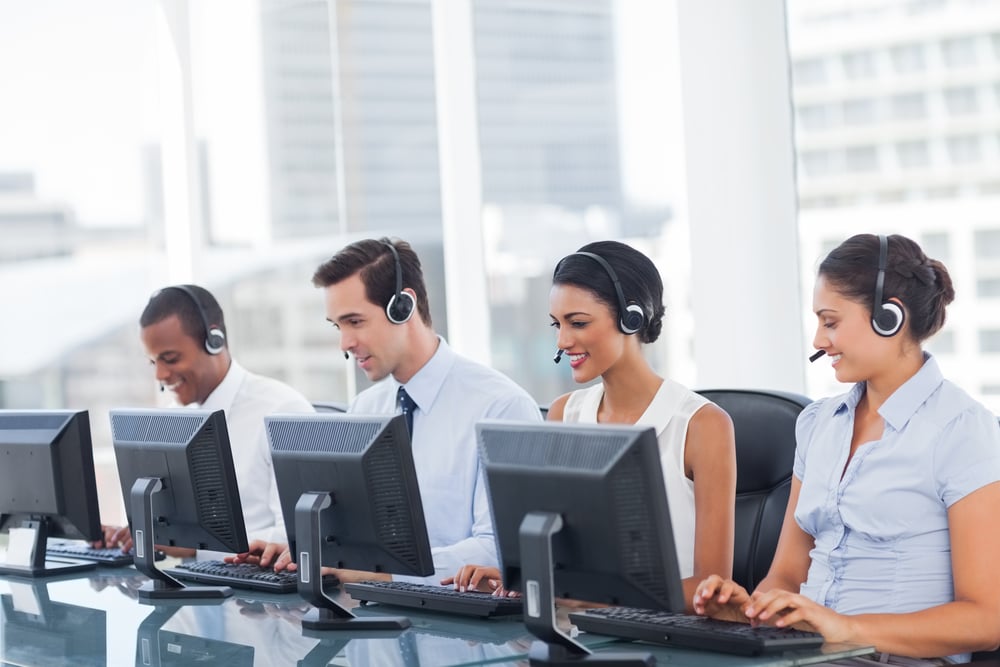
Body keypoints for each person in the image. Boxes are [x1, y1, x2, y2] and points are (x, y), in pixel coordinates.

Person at [693, 233, 1000, 665]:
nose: (819, 340)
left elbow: (986, 621)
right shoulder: (818, 424)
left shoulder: (962, 430)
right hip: (807, 653)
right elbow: (786, 575)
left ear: (889, 317)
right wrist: (751, 612)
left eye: (831, 322)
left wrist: (845, 629)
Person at [445, 240, 737, 610]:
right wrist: (522, 579)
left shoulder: (702, 425)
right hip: (576, 628)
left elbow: (712, 590)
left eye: (578, 323)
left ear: (632, 317)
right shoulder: (564, 413)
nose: (562, 341)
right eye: (557, 324)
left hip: (663, 635)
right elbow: (560, 562)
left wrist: (580, 599)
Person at [229, 237, 542, 583]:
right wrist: (298, 547)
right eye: (338, 326)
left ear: (403, 307)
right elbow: (350, 533)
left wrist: (380, 572)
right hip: (367, 608)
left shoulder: (501, 408)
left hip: (453, 614)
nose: (345, 343)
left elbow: (497, 550)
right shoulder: (366, 409)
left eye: (355, 322)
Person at [100, 284, 314, 553]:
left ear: (214, 342)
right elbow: (171, 530)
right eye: (154, 362)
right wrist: (130, 537)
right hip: (190, 575)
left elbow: (295, 538)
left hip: (256, 578)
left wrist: (192, 546)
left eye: (170, 359)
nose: (160, 375)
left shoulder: (281, 410)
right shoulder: (172, 422)